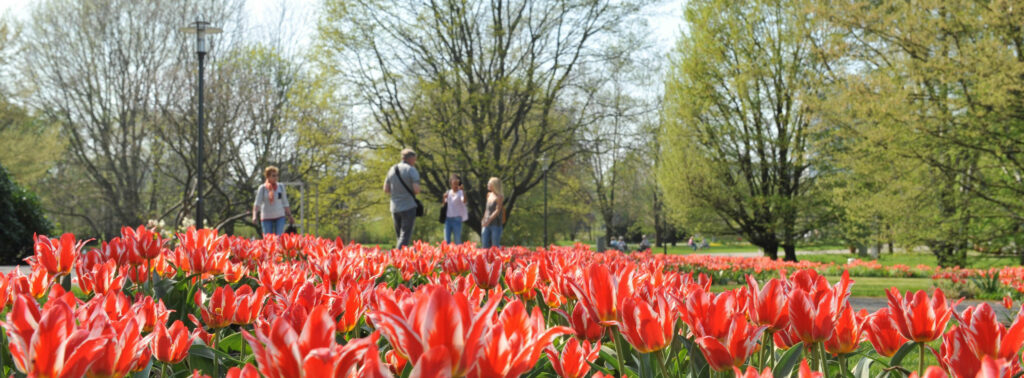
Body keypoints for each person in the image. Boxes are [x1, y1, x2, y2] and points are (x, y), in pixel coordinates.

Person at [383, 148, 421, 248]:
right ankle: (397, 259)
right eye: (414, 159)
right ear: (410, 158)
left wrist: (397, 192)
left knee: (399, 236)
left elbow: (386, 189)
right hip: (408, 206)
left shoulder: (392, 169)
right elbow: (416, 190)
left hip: (394, 207)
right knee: (405, 236)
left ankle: (398, 257)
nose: (415, 161)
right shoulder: (411, 170)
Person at [252, 166, 293, 236]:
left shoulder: (281, 187)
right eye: (273, 176)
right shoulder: (262, 188)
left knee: (279, 237)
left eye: (277, 175)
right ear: (268, 176)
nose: (276, 178)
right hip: (266, 217)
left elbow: (285, 203)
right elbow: (257, 204)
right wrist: (254, 216)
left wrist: (290, 216)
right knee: (268, 238)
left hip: (280, 216)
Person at [442, 173, 468, 243]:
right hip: (448, 219)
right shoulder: (448, 192)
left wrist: (463, 191)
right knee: (446, 240)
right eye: (454, 183)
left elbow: (464, 201)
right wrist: (444, 198)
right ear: (451, 183)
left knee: (457, 240)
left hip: (457, 219)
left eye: (457, 183)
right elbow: (444, 204)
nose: (456, 185)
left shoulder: (460, 193)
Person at [480, 177, 504, 248]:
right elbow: (487, 209)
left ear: (494, 185)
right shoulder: (489, 195)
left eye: (489, 183)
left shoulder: (499, 196)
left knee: (495, 246)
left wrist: (489, 220)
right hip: (486, 223)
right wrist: (483, 219)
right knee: (484, 245)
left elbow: (497, 210)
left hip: (495, 224)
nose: (487, 184)